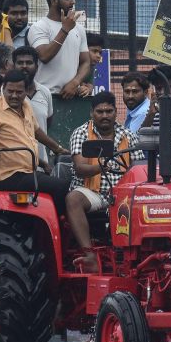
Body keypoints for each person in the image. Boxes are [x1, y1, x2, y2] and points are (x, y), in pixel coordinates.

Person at [0, 69, 71, 212]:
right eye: (10, 91)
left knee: (66, 181)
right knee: (61, 187)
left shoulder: (26, 105)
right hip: (7, 175)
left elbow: (36, 131)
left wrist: (56, 149)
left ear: (26, 91)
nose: (14, 96)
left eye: (19, 92)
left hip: (26, 171)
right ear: (3, 89)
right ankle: (60, 225)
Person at [66, 91, 143, 272]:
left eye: (109, 111)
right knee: (73, 199)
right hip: (92, 192)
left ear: (116, 112)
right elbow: (80, 168)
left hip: (122, 193)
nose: (105, 116)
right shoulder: (81, 133)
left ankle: (136, 256)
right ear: (92, 113)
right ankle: (89, 255)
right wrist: (103, 167)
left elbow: (139, 168)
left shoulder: (128, 136)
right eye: (100, 112)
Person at [28, 0, 91, 98]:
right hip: (44, 96)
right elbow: (44, 56)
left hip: (72, 96)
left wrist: (75, 83)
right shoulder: (39, 27)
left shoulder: (79, 29)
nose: (72, 2)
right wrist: (65, 30)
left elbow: (86, 62)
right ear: (54, 0)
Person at [12, 46, 54, 168]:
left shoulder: (45, 92)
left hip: (41, 163)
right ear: (13, 66)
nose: (24, 66)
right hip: (13, 165)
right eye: (20, 63)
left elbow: (46, 124)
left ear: (36, 66)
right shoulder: (5, 93)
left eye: (29, 63)